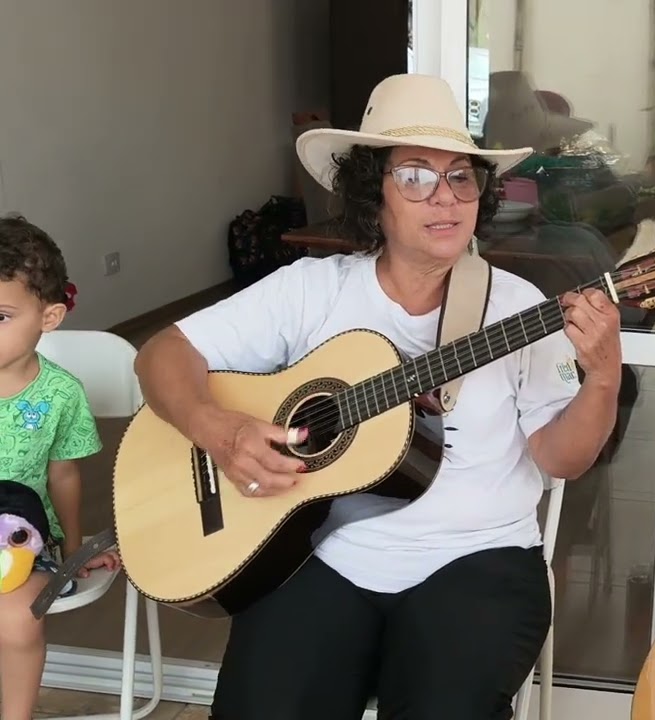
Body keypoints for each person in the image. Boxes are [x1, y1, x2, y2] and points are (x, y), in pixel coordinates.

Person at [133, 74, 622, 719]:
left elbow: (563, 459)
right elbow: (161, 354)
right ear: (375, 196)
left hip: (478, 559)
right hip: (320, 553)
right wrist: (219, 430)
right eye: (416, 176)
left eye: (461, 178)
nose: (444, 198)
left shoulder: (518, 309)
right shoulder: (312, 290)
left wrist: (604, 377)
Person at [0, 214, 119, 719]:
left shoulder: (60, 393)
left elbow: (64, 475)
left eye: (0, 315)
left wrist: (72, 549)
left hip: (21, 542)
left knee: (19, 621)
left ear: (48, 318)